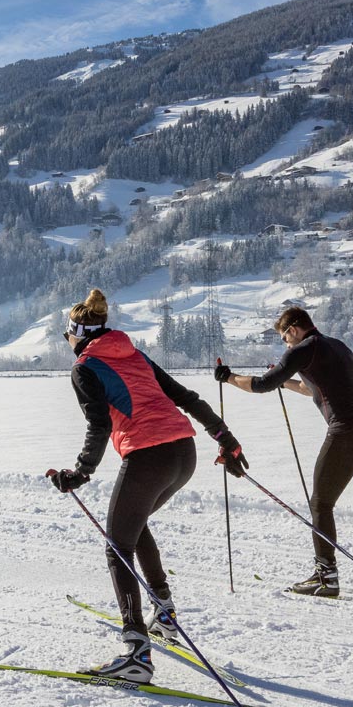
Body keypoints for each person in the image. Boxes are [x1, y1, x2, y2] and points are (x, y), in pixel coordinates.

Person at [46, 288, 248, 683]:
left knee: (117, 546)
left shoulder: (85, 366)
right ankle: (165, 615)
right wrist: (227, 441)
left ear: (75, 332)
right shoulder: (135, 355)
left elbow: (99, 425)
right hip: (183, 454)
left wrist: (80, 473)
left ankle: (136, 651)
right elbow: (186, 398)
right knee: (133, 526)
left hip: (149, 456)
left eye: (65, 335)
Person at [215, 306, 353, 601]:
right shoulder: (337, 345)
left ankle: (326, 577)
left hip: (346, 433)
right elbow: (316, 390)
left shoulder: (301, 350)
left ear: (293, 330)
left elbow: (260, 385)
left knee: (321, 504)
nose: (285, 345)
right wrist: (284, 380)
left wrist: (229, 377)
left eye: (285, 339)